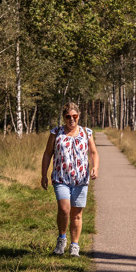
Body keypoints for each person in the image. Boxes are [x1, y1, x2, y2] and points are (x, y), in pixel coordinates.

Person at [41, 102, 99, 257]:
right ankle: (61, 239)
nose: (71, 119)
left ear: (79, 116)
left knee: (77, 214)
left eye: (75, 116)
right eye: (68, 117)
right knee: (64, 209)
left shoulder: (86, 133)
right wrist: (43, 175)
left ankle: (75, 245)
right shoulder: (56, 133)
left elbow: (93, 152)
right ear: (64, 117)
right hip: (61, 177)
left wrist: (95, 167)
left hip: (81, 179)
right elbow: (47, 153)